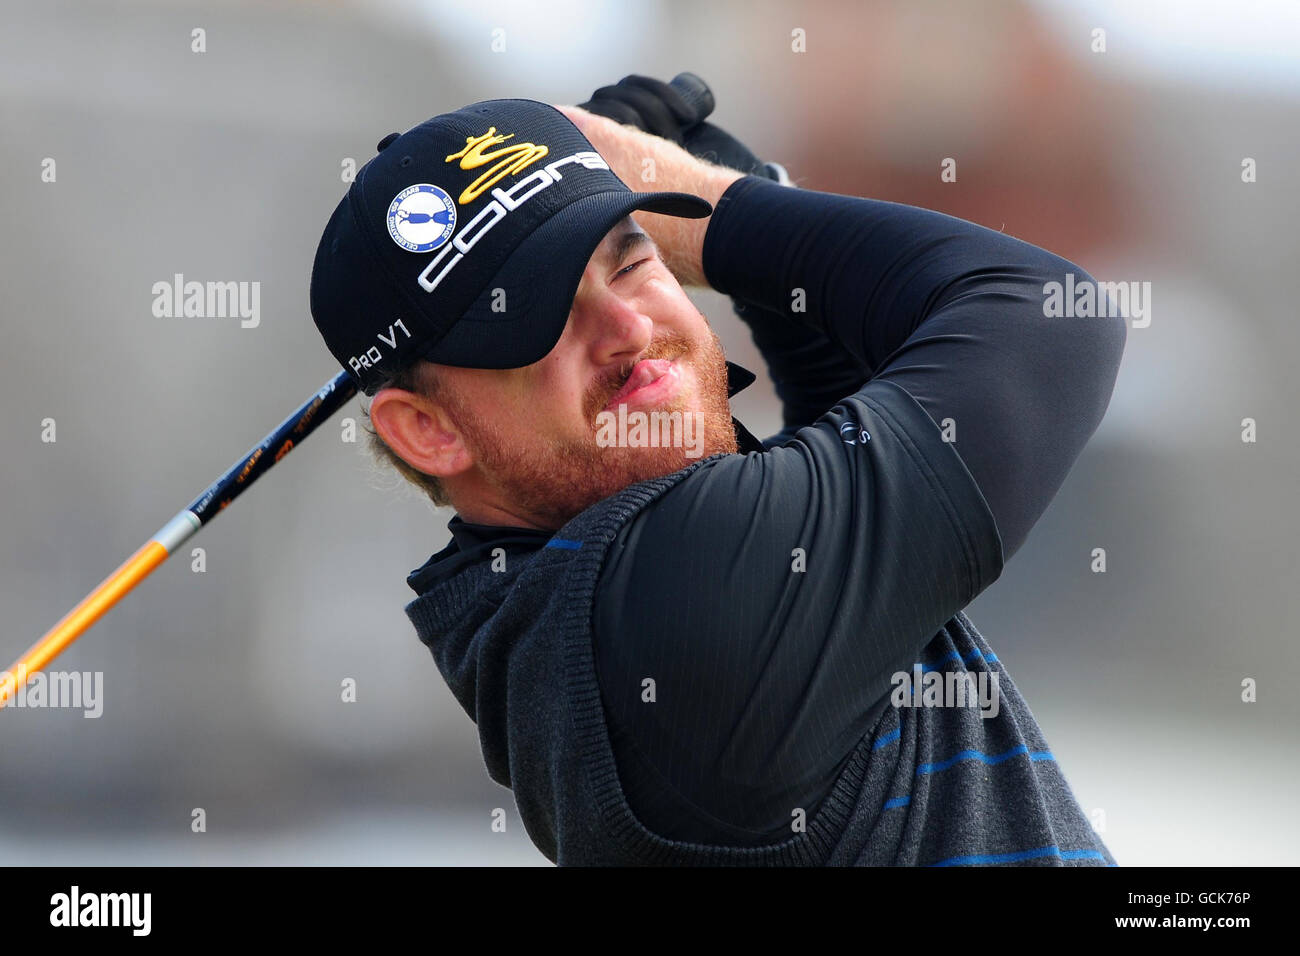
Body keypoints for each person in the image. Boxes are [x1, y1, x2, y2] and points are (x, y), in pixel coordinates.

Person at [308, 81, 1126, 866]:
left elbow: (842, 454)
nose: (627, 326)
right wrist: (711, 199)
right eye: (538, 314)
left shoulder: (558, 605)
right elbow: (1047, 313)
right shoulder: (675, 608)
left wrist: (760, 209)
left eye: (631, 261)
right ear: (428, 431)